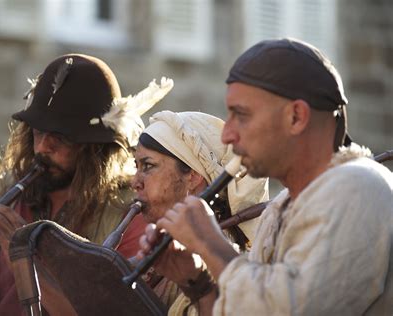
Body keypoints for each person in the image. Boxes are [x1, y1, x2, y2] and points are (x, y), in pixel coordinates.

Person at [139, 38, 393, 315]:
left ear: (296, 117)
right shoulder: (282, 207)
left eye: (242, 115)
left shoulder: (356, 187)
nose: (227, 134)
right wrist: (198, 281)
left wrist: (211, 244)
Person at [0, 54, 173, 315]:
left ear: (96, 149)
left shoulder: (130, 218)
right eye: (37, 132)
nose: (41, 147)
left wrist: (24, 256)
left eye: (59, 138)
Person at [126, 110, 268, 308]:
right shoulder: (169, 250)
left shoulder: (215, 265)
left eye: (148, 166)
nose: (135, 182)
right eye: (136, 166)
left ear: (192, 176)